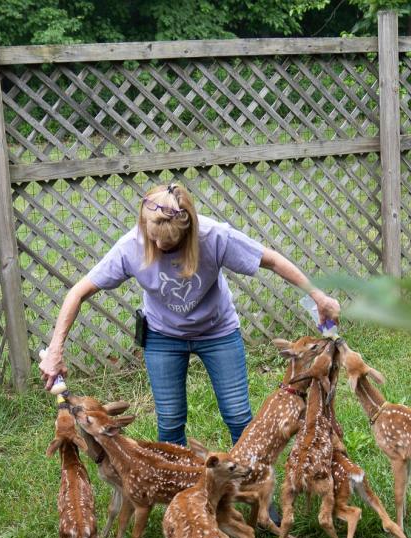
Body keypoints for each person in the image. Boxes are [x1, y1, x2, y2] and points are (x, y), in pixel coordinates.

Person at [38, 181, 340, 446]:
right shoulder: (131, 246)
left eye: (169, 245)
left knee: (238, 415)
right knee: (169, 421)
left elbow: (271, 260)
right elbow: (78, 292)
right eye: (154, 239)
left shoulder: (214, 237)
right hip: (162, 336)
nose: (158, 247)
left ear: (188, 232)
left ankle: (253, 487)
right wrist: (55, 349)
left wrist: (318, 295)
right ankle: (179, 496)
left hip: (217, 332)